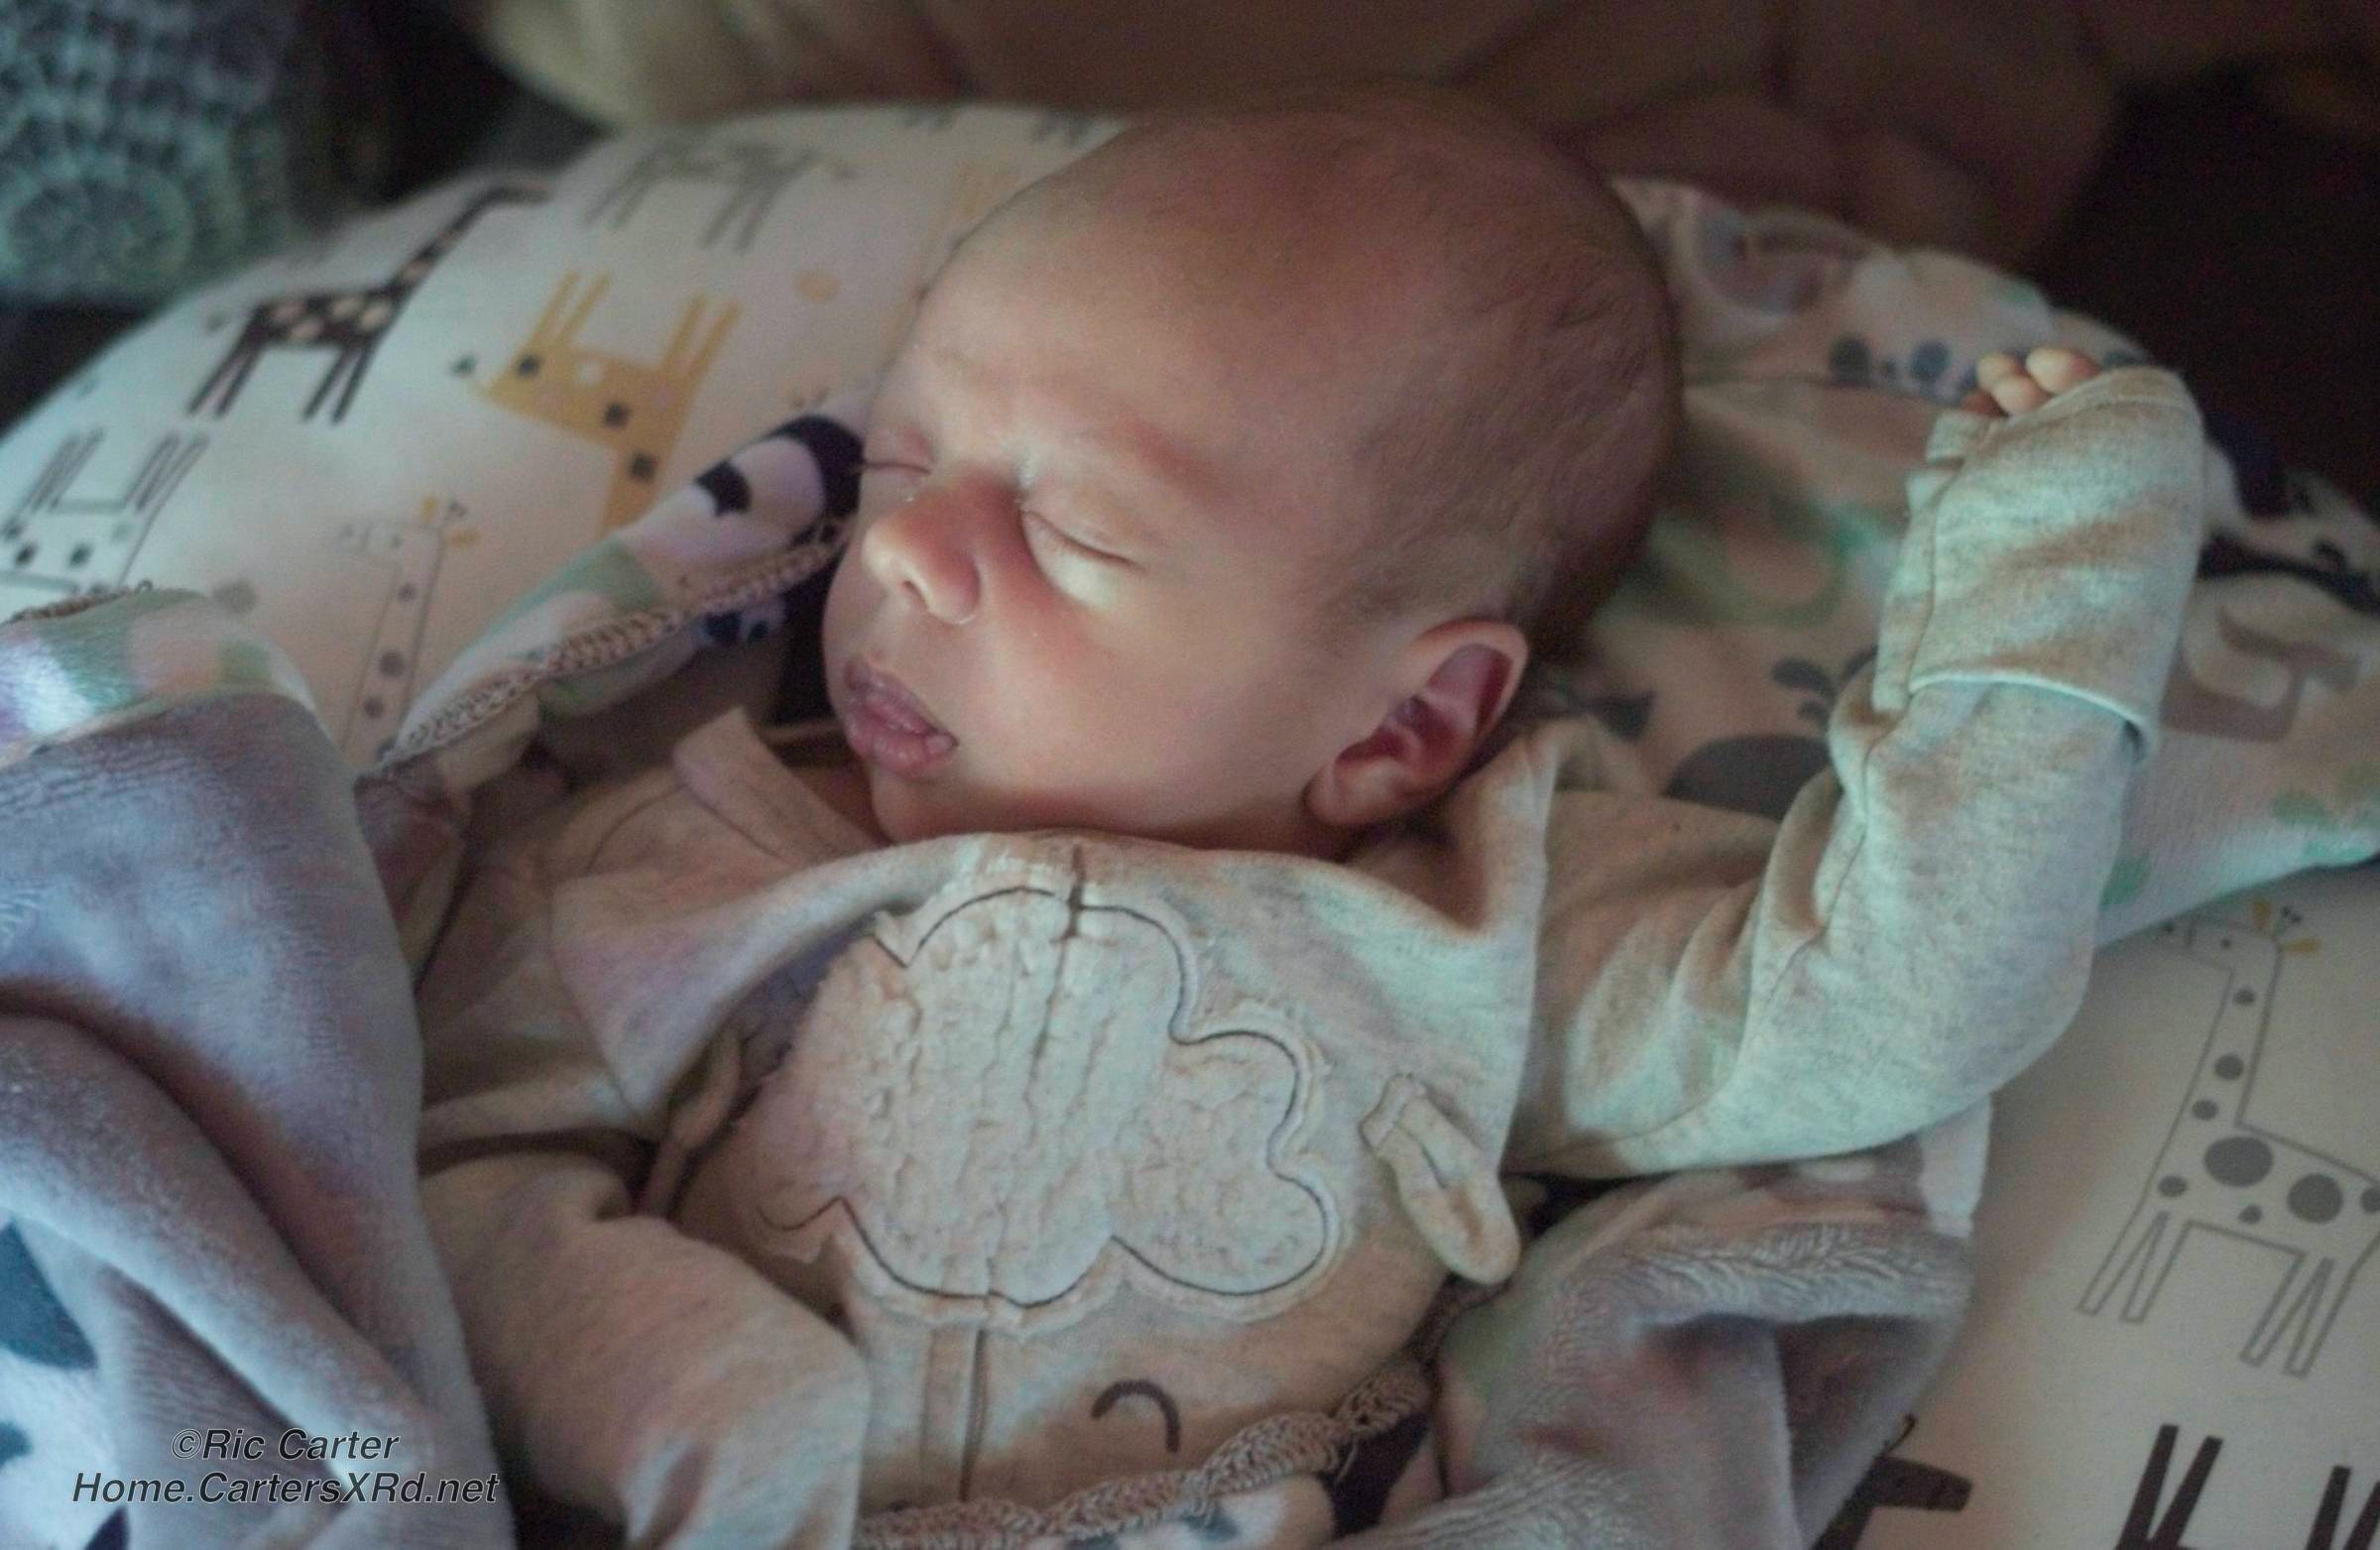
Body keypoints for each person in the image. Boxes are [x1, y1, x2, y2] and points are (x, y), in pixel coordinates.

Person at [414, 79, 2204, 1548]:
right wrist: (678, 1395)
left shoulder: (1480, 937)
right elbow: (443, 1161)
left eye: (1074, 531)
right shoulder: (681, 860)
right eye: (899, 459)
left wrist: (2046, 616)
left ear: (1407, 720)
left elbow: (1882, 1004)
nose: (900, 553)